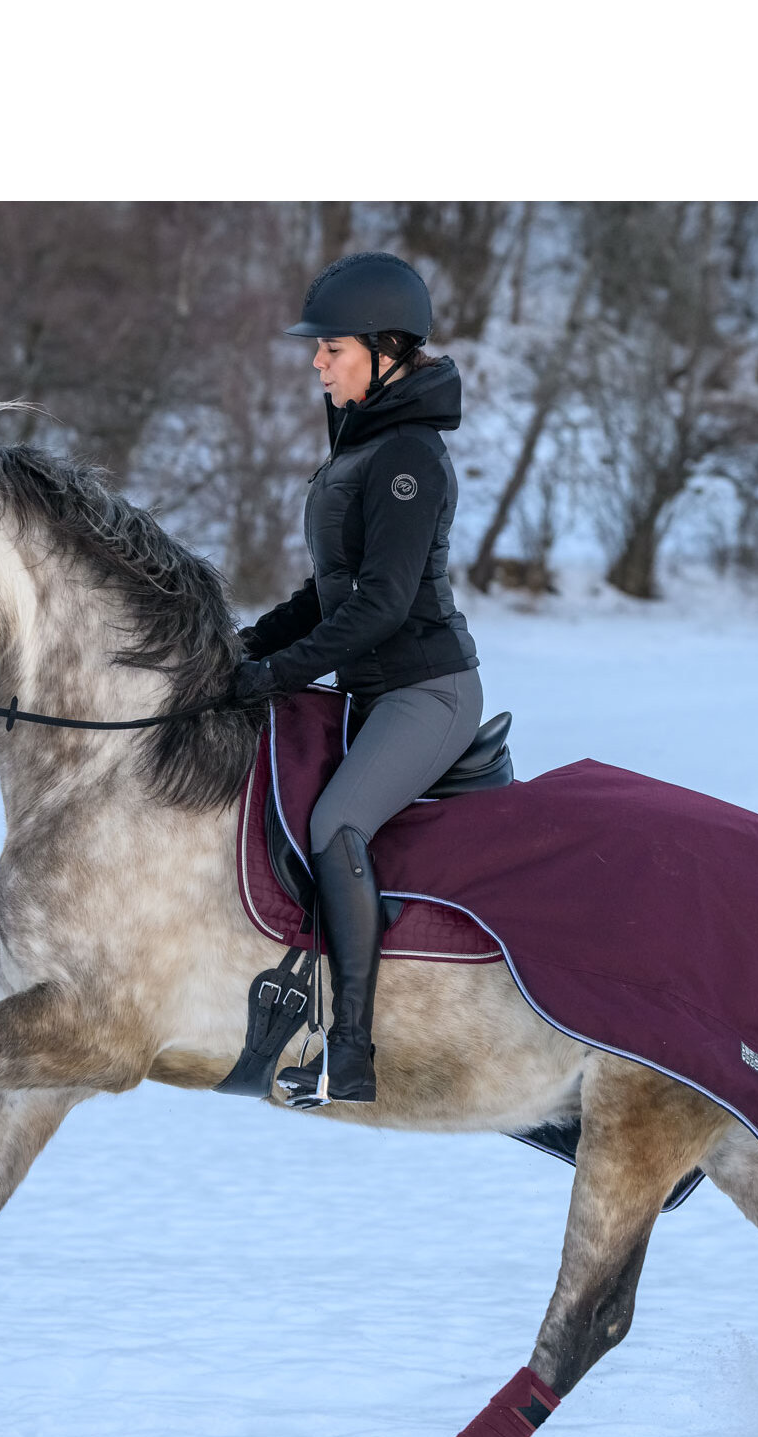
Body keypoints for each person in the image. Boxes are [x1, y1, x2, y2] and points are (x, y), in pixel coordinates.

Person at [229, 252, 484, 1107]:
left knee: (337, 818)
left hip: (428, 693)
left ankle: (351, 1050)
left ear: (384, 350)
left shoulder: (407, 457)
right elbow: (326, 591)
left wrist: (274, 675)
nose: (316, 361)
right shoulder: (362, 447)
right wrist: (243, 647)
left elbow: (378, 608)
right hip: (374, 690)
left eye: (330, 347)